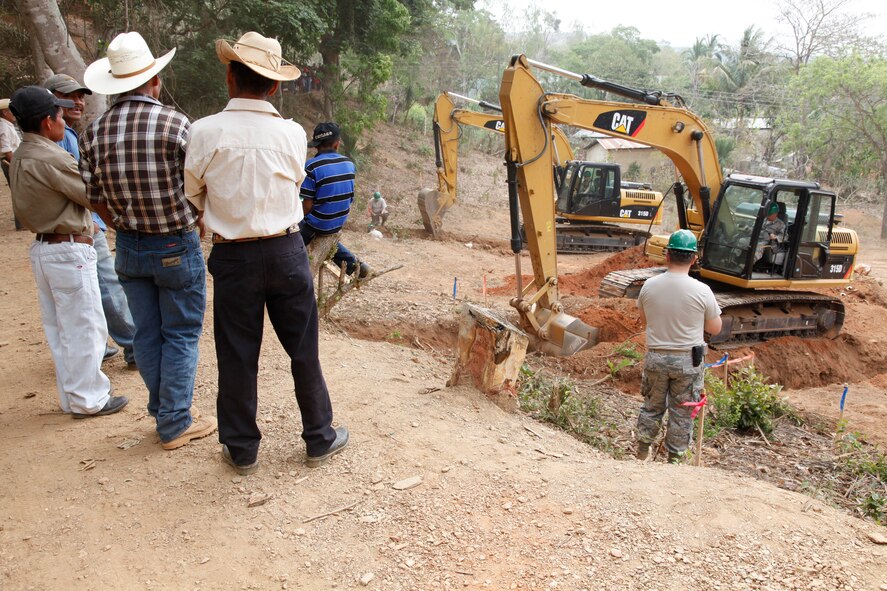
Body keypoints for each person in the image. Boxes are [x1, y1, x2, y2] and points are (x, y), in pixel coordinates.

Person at [185, 31, 349, 475]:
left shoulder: (203, 131)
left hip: (234, 257)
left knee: (238, 353)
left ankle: (241, 450)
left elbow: (194, 195)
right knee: (303, 348)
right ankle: (319, 436)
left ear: (229, 77)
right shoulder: (293, 134)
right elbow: (294, 185)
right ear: (275, 85)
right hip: (286, 252)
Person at [79, 32, 216, 449]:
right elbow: (199, 185)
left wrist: (120, 222)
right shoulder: (176, 124)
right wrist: (196, 219)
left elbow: (94, 199)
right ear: (154, 80)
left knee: (148, 334)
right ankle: (174, 422)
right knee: (180, 332)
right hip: (174, 244)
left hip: (130, 247)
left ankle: (163, 411)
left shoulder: (93, 132)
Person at [7, 86, 128, 418]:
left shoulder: (21, 155)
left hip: (44, 248)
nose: (63, 120)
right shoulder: (52, 157)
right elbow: (89, 194)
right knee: (85, 327)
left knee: (61, 329)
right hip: (68, 248)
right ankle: (90, 399)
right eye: (59, 115)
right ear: (48, 122)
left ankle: (72, 396)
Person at [43, 73, 137, 368]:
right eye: (69, 96)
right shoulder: (57, 138)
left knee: (94, 288)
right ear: (51, 101)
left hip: (82, 223)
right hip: (81, 224)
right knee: (108, 284)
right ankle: (134, 344)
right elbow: (73, 186)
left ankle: (99, 342)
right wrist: (94, 216)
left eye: (81, 96)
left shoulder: (69, 134)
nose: (78, 102)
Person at [635, 230, 722, 463]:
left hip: (656, 357)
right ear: (694, 258)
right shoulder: (702, 290)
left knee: (651, 406)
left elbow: (645, 321)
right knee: (682, 412)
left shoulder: (649, 286)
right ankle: (674, 460)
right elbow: (715, 328)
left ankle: (642, 450)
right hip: (687, 361)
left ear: (667, 255)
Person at [299, 122, 371, 278]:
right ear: (337, 144)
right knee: (327, 234)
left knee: (291, 238)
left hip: (318, 224)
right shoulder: (349, 164)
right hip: (338, 221)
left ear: (316, 145)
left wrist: (295, 219)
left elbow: (307, 206)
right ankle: (355, 266)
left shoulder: (311, 166)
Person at [1, 98, 24, 230]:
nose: (14, 114)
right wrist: (16, 164)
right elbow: (6, 149)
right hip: (10, 161)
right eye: (11, 111)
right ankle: (21, 223)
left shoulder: (7, 125)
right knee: (18, 192)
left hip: (12, 159)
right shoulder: (3, 126)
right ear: (5, 112)